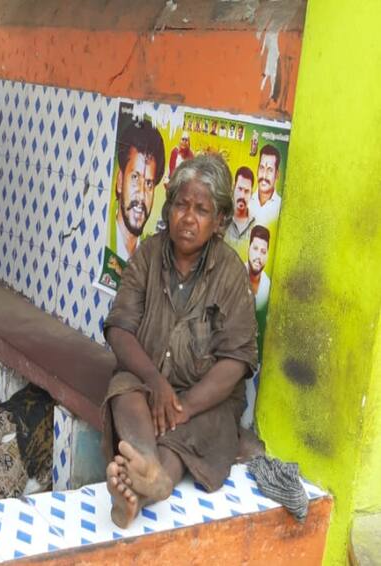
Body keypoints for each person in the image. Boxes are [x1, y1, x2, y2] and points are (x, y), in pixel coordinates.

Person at [101, 153, 258, 529]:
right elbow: (120, 329)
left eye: (201, 210)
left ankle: (147, 485)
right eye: (181, 205)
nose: (188, 218)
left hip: (203, 396)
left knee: (203, 424)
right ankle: (147, 464)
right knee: (123, 388)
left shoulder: (232, 274)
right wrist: (155, 382)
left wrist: (184, 405)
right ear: (168, 208)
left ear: (219, 221)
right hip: (148, 380)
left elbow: (236, 363)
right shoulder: (148, 256)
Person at [111, 119, 166, 261]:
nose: (141, 195)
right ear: (120, 181)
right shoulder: (100, 239)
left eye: (149, 184)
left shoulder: (151, 258)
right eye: (135, 178)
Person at [249, 144, 282, 227]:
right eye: (262, 168)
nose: (264, 175)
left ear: (277, 174)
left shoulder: (280, 207)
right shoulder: (246, 200)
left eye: (270, 170)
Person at [225, 166, 256, 248]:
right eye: (240, 189)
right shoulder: (221, 219)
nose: (242, 196)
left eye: (246, 191)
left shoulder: (255, 225)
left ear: (251, 193)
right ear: (233, 188)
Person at [247, 225, 271, 310]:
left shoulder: (268, 286)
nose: (258, 256)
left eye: (263, 252)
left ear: (267, 254)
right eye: (255, 248)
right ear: (248, 248)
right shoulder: (234, 275)